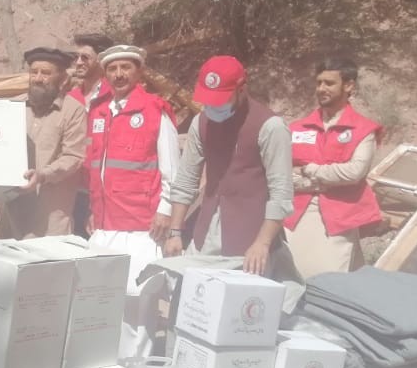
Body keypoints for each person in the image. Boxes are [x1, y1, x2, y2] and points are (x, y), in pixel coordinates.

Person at [165, 56, 294, 277]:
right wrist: (175, 231)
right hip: (206, 233)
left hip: (249, 240)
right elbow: (186, 179)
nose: (213, 107)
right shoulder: (201, 123)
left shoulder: (271, 127)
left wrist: (262, 243)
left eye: (220, 100)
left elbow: (281, 194)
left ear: (242, 89)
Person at [85, 44, 180, 286]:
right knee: (101, 294)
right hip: (104, 227)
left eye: (125, 67)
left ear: (139, 72)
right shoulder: (98, 112)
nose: (119, 74)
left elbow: (172, 171)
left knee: (138, 295)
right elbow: (98, 169)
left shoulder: (155, 110)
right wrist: (94, 210)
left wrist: (165, 211)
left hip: (141, 228)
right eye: (112, 69)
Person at [284, 57, 383, 279]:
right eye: (319, 82)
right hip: (295, 214)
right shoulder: (297, 128)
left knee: (325, 280)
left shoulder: (363, 130)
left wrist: (309, 170)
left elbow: (354, 172)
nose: (321, 88)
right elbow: (279, 171)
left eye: (329, 83)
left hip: (339, 217)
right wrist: (315, 183)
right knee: (291, 275)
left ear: (348, 86)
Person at [0, 47, 87, 239]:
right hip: (11, 217)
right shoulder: (12, 107)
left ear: (62, 79)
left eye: (46, 73)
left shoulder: (73, 110)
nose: (38, 78)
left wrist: (43, 175)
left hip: (49, 221)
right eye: (34, 72)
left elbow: (73, 157)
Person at [67, 33, 108, 237]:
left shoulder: (113, 98)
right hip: (73, 189)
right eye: (76, 57)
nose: (78, 62)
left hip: (103, 192)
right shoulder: (70, 99)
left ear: (100, 60)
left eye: (85, 57)